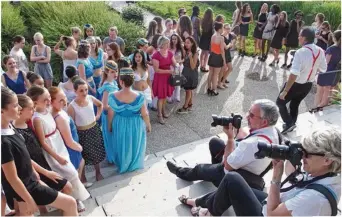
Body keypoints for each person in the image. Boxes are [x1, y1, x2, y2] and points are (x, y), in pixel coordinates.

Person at [182, 127, 341, 216]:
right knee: (238, 187)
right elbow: (294, 178)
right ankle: (202, 204)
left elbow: (272, 214)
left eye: (308, 154)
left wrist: (276, 177)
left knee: (232, 179)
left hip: (269, 214)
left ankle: (209, 213)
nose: (303, 156)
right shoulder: (326, 175)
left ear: (327, 160)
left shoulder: (315, 198)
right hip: (282, 205)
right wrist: (292, 156)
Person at [167, 99, 280, 188]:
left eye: (251, 115)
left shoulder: (251, 144)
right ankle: (212, 172)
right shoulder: (274, 132)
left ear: (264, 122)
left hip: (234, 176)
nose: (246, 116)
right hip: (250, 170)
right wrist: (237, 133)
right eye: (248, 112)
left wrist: (230, 138)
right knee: (215, 143)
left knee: (199, 169)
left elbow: (228, 165)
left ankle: (180, 171)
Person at [1, 86, 78, 216]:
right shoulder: (3, 142)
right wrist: (29, 199)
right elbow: (12, 178)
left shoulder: (10, 127)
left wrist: (46, 172)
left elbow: (24, 158)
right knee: (70, 203)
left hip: (30, 182)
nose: (19, 108)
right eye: (15, 106)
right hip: (26, 187)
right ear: (2, 110)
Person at [27, 86, 90, 211]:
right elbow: (43, 142)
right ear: (35, 102)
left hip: (59, 143)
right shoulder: (37, 118)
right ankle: (71, 201)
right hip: (52, 149)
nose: (49, 101)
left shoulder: (48, 110)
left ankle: (74, 200)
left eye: (49, 98)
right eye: (45, 99)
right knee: (70, 173)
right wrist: (57, 157)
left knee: (71, 172)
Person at [276, 27, 327, 134]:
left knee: (280, 102)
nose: (298, 38)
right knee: (295, 103)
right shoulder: (320, 51)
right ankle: (292, 124)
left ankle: (289, 123)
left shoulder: (300, 52)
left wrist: (285, 91)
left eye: (299, 36)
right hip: (308, 85)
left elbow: (294, 74)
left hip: (296, 83)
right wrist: (312, 67)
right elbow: (323, 69)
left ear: (304, 38)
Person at [107, 67, 151, 173]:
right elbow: (144, 113)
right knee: (135, 142)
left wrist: (109, 125)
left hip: (120, 123)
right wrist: (148, 125)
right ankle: (133, 164)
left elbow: (110, 113)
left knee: (122, 143)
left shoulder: (113, 96)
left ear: (121, 81)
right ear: (132, 81)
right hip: (135, 123)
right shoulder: (140, 96)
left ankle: (123, 163)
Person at [67, 79, 106, 182]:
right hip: (82, 133)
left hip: (93, 129)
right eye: (81, 91)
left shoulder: (90, 98)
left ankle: (98, 172)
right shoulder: (72, 106)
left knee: (96, 151)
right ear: (75, 91)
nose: (84, 93)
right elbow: (72, 124)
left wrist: (98, 115)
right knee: (83, 155)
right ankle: (83, 177)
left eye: (86, 90)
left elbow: (100, 104)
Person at [49, 87, 85, 182]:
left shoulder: (58, 112)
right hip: (71, 149)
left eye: (64, 97)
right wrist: (80, 148)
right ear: (51, 102)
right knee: (76, 172)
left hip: (71, 147)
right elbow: (69, 142)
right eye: (60, 100)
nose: (64, 101)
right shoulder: (59, 118)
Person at [152, 36, 178, 124]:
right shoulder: (156, 55)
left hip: (168, 77)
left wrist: (176, 67)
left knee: (165, 96)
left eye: (168, 43)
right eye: (166, 43)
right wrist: (169, 71)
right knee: (161, 97)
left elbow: (174, 63)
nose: (168, 45)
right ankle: (159, 115)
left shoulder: (170, 53)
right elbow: (156, 70)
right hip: (160, 78)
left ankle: (163, 111)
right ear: (161, 44)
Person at [313, 30, 341, 111]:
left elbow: (325, 63)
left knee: (319, 92)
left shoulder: (331, 49)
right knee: (329, 91)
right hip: (335, 72)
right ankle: (324, 106)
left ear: (334, 38)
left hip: (326, 72)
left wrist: (317, 70)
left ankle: (316, 107)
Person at [97, 61, 119, 164]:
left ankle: (115, 154)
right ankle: (112, 157)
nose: (115, 74)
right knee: (110, 135)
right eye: (112, 72)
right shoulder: (107, 87)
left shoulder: (113, 82)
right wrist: (117, 107)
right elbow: (104, 105)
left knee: (115, 135)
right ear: (107, 72)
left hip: (114, 114)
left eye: (116, 71)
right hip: (109, 115)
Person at [177, 36, 199, 114]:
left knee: (188, 91)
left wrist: (190, 58)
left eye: (188, 43)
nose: (186, 44)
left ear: (192, 43)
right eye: (185, 42)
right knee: (188, 90)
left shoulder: (195, 53)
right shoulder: (187, 51)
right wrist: (181, 61)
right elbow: (185, 60)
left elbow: (193, 67)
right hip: (186, 73)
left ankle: (185, 107)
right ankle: (190, 104)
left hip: (191, 75)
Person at [207, 22, 226, 96]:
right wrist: (224, 61)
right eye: (222, 28)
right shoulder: (221, 38)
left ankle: (209, 88)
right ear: (220, 29)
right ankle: (214, 89)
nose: (223, 29)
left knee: (210, 73)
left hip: (212, 55)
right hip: (218, 57)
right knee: (215, 75)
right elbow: (222, 50)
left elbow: (211, 47)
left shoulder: (213, 36)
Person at [169, 34, 185, 103]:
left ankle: (177, 96)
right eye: (172, 39)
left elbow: (183, 58)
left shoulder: (181, 48)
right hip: (171, 66)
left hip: (179, 66)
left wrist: (179, 62)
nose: (174, 40)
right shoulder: (169, 48)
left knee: (177, 82)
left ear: (178, 39)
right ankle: (170, 97)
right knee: (171, 82)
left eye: (175, 39)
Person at [218, 24, 235, 88]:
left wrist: (232, 43)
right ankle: (219, 83)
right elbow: (225, 47)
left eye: (229, 28)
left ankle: (223, 81)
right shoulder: (222, 36)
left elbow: (233, 41)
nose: (228, 30)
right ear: (224, 28)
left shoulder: (230, 35)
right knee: (223, 70)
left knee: (230, 68)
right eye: (227, 28)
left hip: (228, 54)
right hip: (223, 54)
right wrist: (230, 44)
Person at [199, 8, 214, 73]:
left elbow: (201, 28)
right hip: (208, 39)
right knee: (206, 54)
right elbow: (212, 31)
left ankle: (200, 65)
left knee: (202, 52)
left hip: (203, 37)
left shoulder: (203, 20)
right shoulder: (212, 21)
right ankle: (204, 66)